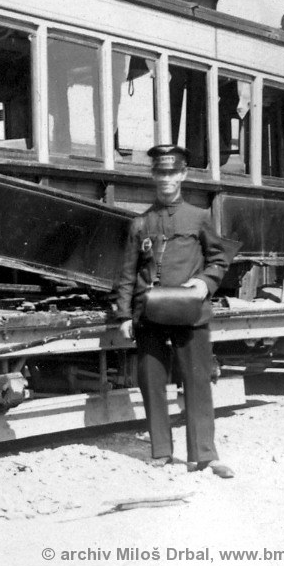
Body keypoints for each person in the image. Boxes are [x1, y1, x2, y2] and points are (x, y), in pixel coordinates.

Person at [114, 144, 235, 478]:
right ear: (153, 176)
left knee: (197, 380)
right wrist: (123, 315)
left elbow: (219, 258)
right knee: (151, 382)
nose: (166, 178)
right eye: (160, 172)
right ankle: (161, 451)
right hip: (149, 313)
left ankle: (204, 455)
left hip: (190, 312)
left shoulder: (199, 217)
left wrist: (205, 283)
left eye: (172, 172)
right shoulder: (141, 223)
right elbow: (127, 273)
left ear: (182, 174)